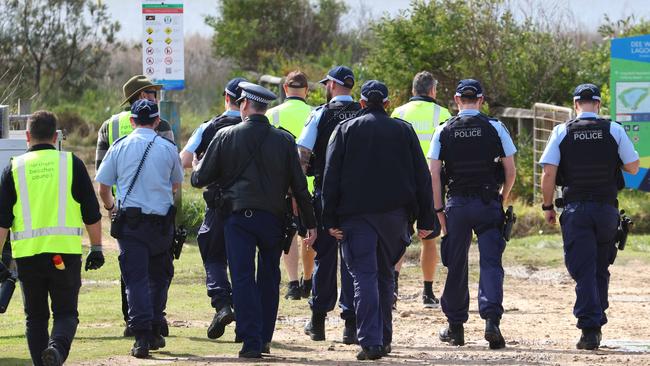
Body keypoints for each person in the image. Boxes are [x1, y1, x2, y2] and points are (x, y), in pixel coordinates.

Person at [191, 82, 317, 358]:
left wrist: (198, 165)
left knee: (242, 277)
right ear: (265, 107)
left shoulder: (225, 136)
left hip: (238, 219)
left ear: (245, 104)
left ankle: (250, 343)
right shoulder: (284, 140)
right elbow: (299, 186)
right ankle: (264, 339)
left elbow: (199, 179)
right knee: (270, 277)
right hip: (274, 219)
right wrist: (310, 224)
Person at [322, 80, 435, 360]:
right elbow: (422, 177)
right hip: (395, 218)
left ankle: (371, 341)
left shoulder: (345, 130)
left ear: (361, 103)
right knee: (385, 275)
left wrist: (329, 218)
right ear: (387, 104)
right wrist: (425, 219)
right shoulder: (403, 130)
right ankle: (384, 338)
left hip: (355, 217)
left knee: (364, 277)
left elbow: (330, 178)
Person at [539, 83, 639, 350]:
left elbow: (548, 173)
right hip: (606, 210)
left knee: (582, 269)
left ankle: (590, 328)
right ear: (598, 104)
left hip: (576, 210)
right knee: (599, 267)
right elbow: (633, 166)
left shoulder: (562, 131)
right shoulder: (614, 129)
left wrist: (547, 206)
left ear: (575, 104)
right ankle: (596, 314)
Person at [0, 111, 104, 366]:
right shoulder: (72, 164)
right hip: (64, 255)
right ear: (56, 136)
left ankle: (43, 362)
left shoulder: (13, 168)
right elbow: (91, 212)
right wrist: (97, 248)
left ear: (27, 136)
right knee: (66, 313)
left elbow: (1, 221)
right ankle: (56, 349)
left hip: (27, 257)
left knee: (35, 318)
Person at [428, 79, 517, 349]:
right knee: (491, 264)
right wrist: (501, 198)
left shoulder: (443, 129)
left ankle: (455, 328)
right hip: (488, 202)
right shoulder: (495, 127)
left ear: (456, 100)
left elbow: (433, 173)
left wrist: (438, 210)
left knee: (456, 265)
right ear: (480, 100)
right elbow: (510, 170)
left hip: (456, 205)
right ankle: (491, 322)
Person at [96, 99, 183, 359]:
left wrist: (111, 209)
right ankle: (155, 326)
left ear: (132, 121)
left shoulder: (119, 146)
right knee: (160, 277)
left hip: (131, 225)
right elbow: (176, 185)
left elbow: (103, 186)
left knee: (135, 281)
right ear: (157, 121)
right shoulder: (168, 148)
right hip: (161, 224)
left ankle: (143, 336)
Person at [179, 77, 246, 340]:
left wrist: (199, 164)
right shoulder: (255, 126)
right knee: (243, 263)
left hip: (218, 204)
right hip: (251, 205)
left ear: (226, 98)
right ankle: (244, 321)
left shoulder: (208, 127)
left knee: (214, 256)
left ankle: (222, 303)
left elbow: (183, 160)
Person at [297, 65, 360, 344]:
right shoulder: (362, 113)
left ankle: (318, 322)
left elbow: (302, 154)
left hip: (325, 193)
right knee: (352, 259)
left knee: (324, 255)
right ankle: (350, 325)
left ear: (332, 85)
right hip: (357, 198)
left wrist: (298, 195)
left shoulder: (320, 114)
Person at [391, 71, 451, 308]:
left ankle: (392, 290)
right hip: (431, 184)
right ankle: (427, 292)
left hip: (403, 184)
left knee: (397, 239)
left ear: (413, 90)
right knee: (430, 239)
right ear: (433, 90)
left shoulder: (399, 113)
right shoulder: (443, 114)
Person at [265, 70, 316, 300]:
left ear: (285, 89)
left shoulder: (271, 114)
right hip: (310, 184)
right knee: (309, 233)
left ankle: (293, 283)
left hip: (279, 185)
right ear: (306, 91)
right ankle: (308, 279)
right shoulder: (315, 113)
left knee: (289, 233)